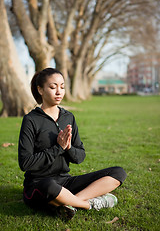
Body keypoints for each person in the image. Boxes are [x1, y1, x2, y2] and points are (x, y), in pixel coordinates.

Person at [18, 67, 127, 219]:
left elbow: (80, 156)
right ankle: (89, 204)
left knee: (118, 173)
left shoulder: (68, 117)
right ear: (40, 90)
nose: (59, 92)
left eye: (62, 87)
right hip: (39, 184)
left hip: (65, 181)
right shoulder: (31, 120)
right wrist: (58, 148)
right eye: (52, 87)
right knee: (49, 185)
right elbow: (25, 163)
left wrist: (68, 148)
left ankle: (69, 202)